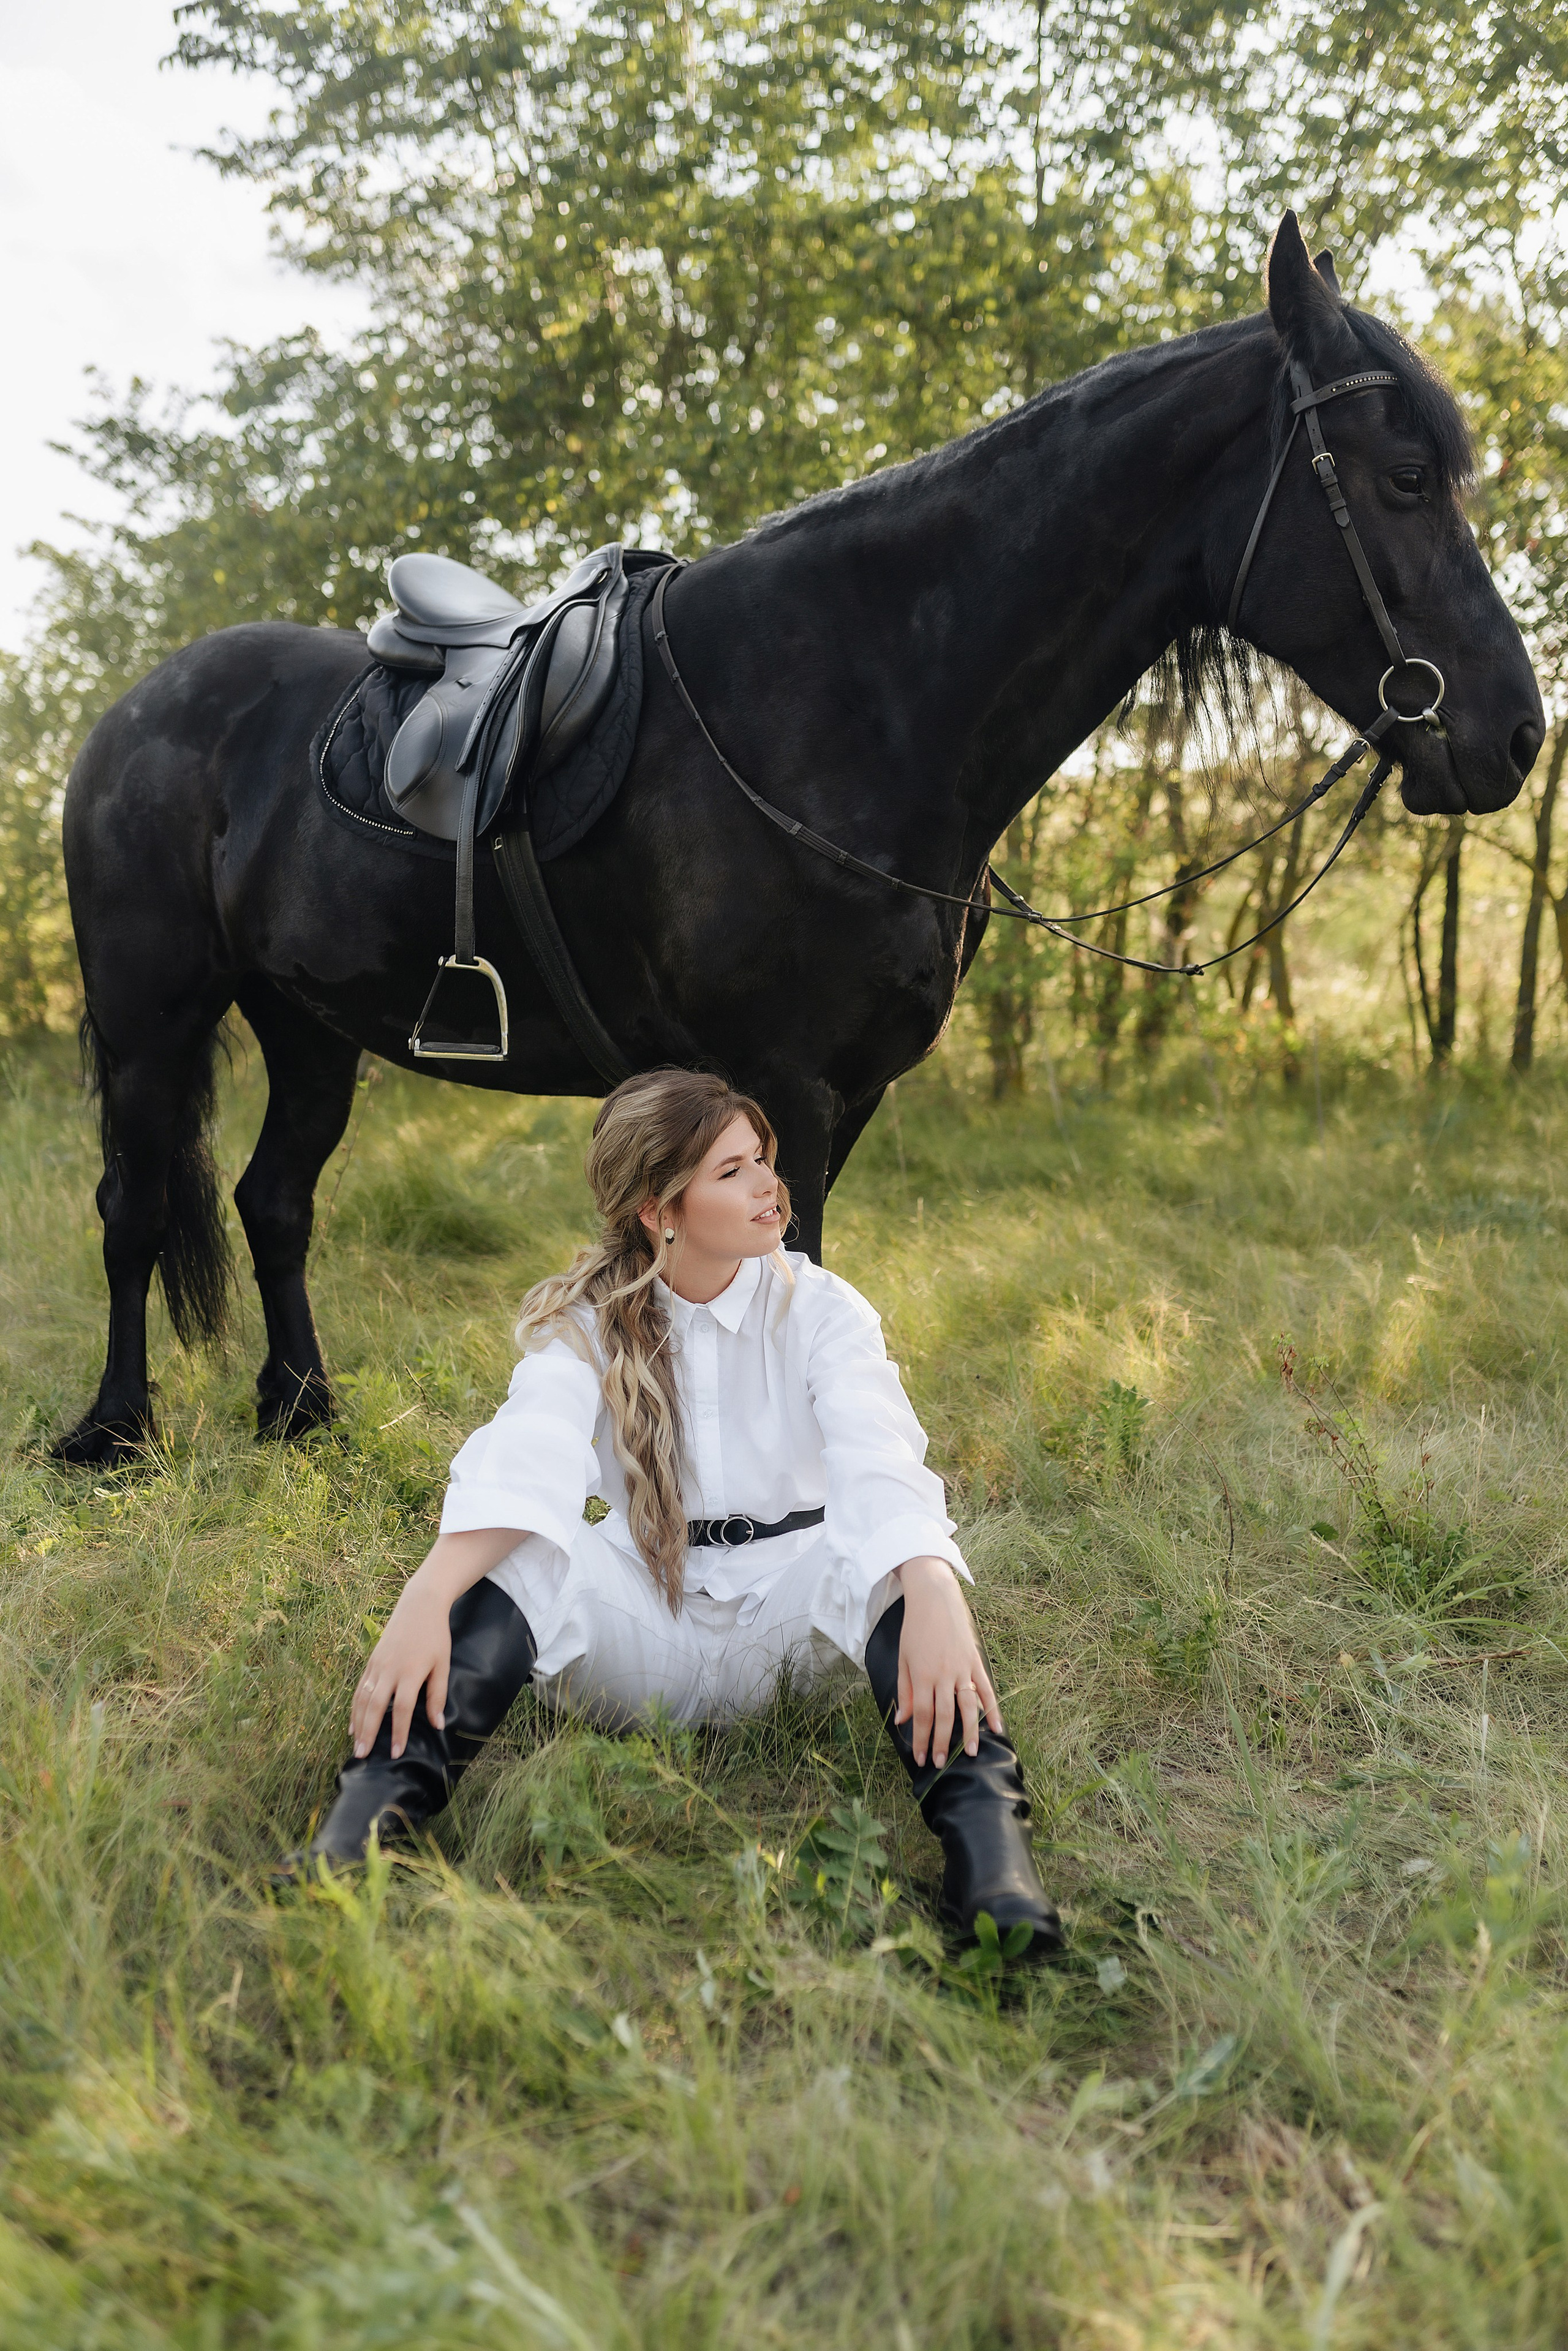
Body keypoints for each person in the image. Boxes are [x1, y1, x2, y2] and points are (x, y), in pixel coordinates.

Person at [288, 1068, 1061, 1953]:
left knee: (886, 1560)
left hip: (791, 1627)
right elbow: (529, 1452)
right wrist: (427, 1596)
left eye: (762, 1159)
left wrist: (930, 1586)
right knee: (534, 1555)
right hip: (645, 1629)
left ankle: (993, 1874)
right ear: (661, 1208)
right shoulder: (588, 1317)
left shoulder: (819, 1307)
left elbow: (877, 1456)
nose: (770, 1184)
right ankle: (355, 1842)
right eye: (732, 1172)